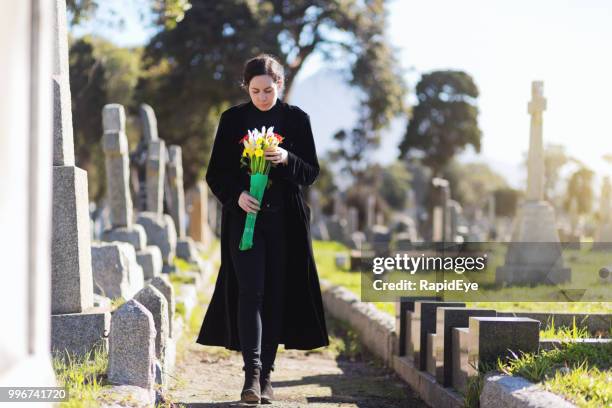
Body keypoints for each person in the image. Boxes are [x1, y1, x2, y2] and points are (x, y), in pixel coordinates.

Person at [196, 53, 329, 404]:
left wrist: (286, 158)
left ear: (280, 85)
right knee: (250, 292)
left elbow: (310, 172)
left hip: (285, 223)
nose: (262, 97)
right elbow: (215, 174)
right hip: (244, 223)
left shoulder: (296, 120)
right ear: (246, 88)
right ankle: (251, 377)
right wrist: (236, 195)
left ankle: (267, 376)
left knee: (274, 295)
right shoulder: (232, 119)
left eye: (268, 90)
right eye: (255, 91)